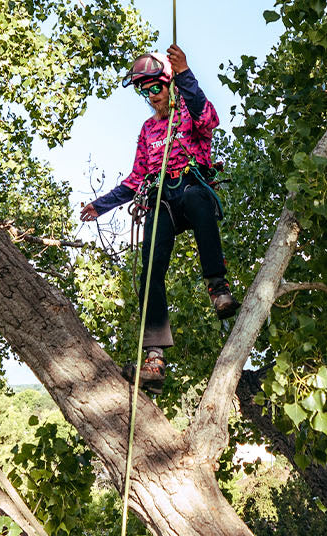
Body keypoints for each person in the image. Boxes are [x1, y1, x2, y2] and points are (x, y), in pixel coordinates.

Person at [81, 45, 239, 390]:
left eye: (157, 87)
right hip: (162, 201)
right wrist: (101, 205)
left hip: (191, 188)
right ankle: (154, 357)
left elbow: (209, 119)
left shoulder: (188, 113)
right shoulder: (148, 131)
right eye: (145, 91)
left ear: (169, 86)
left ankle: (218, 286)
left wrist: (185, 73)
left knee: (199, 201)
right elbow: (136, 178)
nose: (152, 96)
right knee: (149, 269)